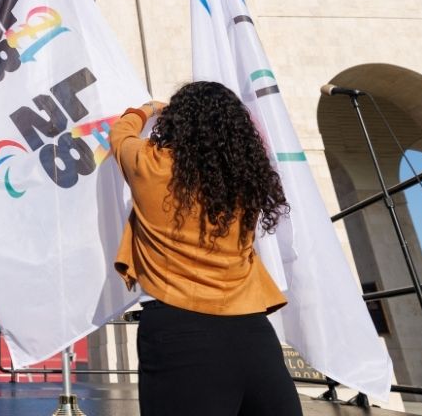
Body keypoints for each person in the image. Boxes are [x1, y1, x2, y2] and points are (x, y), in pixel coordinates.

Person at [109, 81, 302, 416]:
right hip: (253, 333)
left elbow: (120, 134)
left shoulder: (150, 165)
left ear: (176, 123)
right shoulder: (244, 183)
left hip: (178, 332)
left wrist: (150, 109)